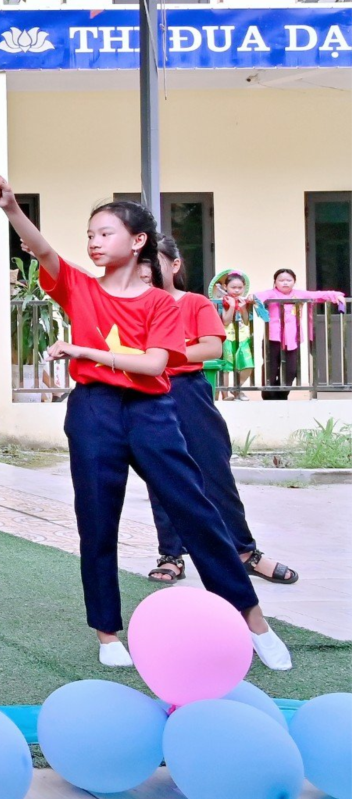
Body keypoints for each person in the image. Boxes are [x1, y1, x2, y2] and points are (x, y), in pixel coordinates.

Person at [0, 177, 291, 671]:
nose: (94, 242)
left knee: (196, 511)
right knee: (96, 520)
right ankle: (107, 634)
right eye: (90, 235)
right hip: (94, 411)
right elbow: (42, 250)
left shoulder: (161, 303)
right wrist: (12, 210)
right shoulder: (79, 287)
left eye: (105, 233)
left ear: (137, 241)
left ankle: (253, 620)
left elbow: (154, 364)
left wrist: (83, 350)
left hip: (151, 410)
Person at [144, 238, 300, 588]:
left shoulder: (195, 302)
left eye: (155, 261)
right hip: (146, 393)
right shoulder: (134, 306)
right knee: (160, 475)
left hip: (188, 391)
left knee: (214, 468)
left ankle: (244, 552)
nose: (148, 269)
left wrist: (158, 356)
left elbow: (211, 347)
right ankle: (170, 555)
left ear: (174, 265)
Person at [257, 268, 345, 401]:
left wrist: (336, 295)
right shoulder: (271, 293)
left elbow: (318, 295)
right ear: (275, 282)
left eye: (289, 280)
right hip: (273, 337)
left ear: (294, 281)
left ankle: (282, 395)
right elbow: (257, 297)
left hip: (292, 338)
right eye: (281, 280)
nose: (285, 283)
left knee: (291, 370)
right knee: (271, 369)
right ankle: (268, 396)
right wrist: (251, 299)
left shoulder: (298, 294)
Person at [209, 269, 258, 399]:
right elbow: (225, 321)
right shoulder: (222, 301)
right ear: (225, 287)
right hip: (227, 337)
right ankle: (225, 395)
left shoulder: (244, 301)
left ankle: (236, 387)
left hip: (242, 337)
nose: (236, 290)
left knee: (248, 365)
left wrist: (243, 308)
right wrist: (231, 306)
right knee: (226, 368)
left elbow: (246, 321)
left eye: (240, 288)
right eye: (233, 287)